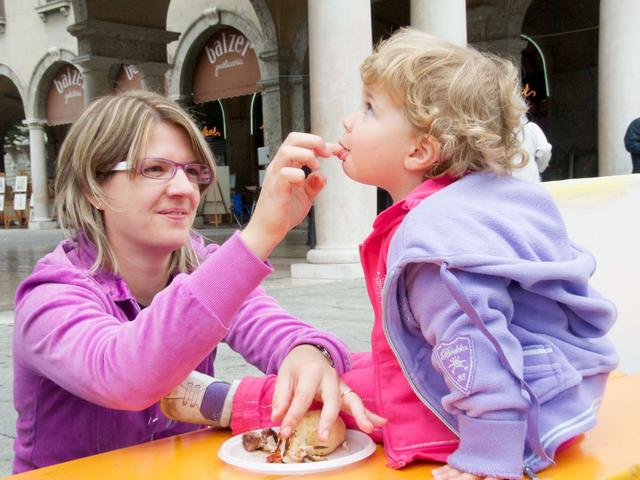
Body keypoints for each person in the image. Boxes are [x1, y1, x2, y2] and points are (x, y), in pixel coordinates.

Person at [228, 29, 619, 480]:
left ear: (419, 150)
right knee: (353, 366)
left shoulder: (435, 241)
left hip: (518, 418)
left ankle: (227, 402)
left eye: (370, 108)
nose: (350, 122)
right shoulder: (473, 204)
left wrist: (488, 457)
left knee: (338, 392)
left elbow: (474, 343)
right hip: (557, 388)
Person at [11, 91, 383, 473]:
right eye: (154, 169)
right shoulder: (50, 295)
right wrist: (260, 233)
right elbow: (125, 374)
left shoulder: (199, 263)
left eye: (192, 172)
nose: (184, 189)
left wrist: (306, 351)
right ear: (94, 188)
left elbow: (267, 325)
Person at [511, 116, 552, 183]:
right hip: (530, 177)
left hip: (508, 179)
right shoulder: (532, 127)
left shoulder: (499, 130)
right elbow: (545, 150)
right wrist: (540, 167)